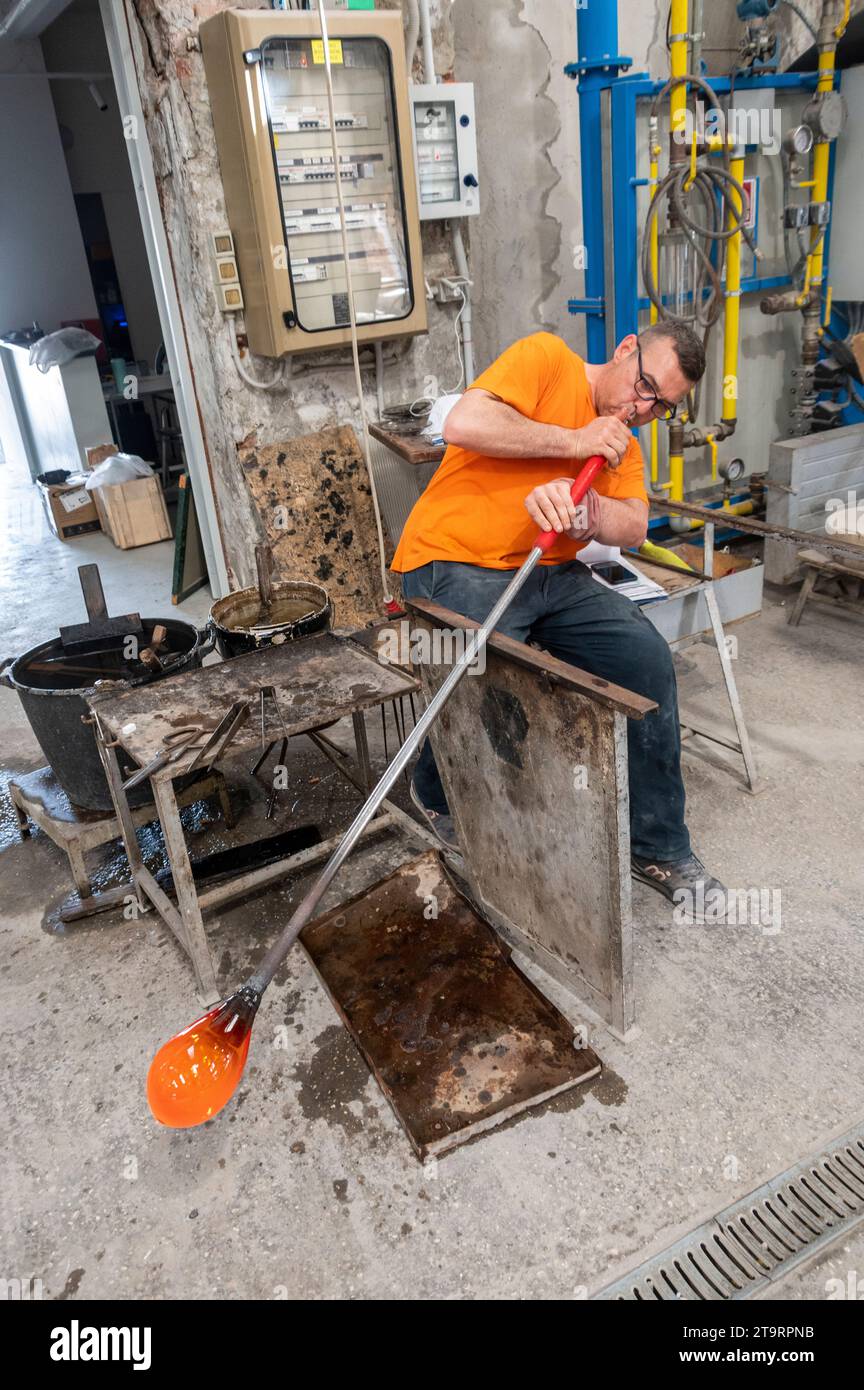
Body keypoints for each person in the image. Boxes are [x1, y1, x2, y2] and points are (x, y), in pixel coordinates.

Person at [391, 321, 726, 910]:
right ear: (626, 348)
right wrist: (575, 444)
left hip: (547, 573)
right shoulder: (547, 359)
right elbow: (463, 422)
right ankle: (439, 788)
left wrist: (588, 514)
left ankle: (658, 845)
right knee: (496, 671)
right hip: (455, 558)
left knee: (645, 659)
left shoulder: (625, 436)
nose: (642, 408)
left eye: (661, 406)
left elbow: (633, 525)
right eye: (644, 386)